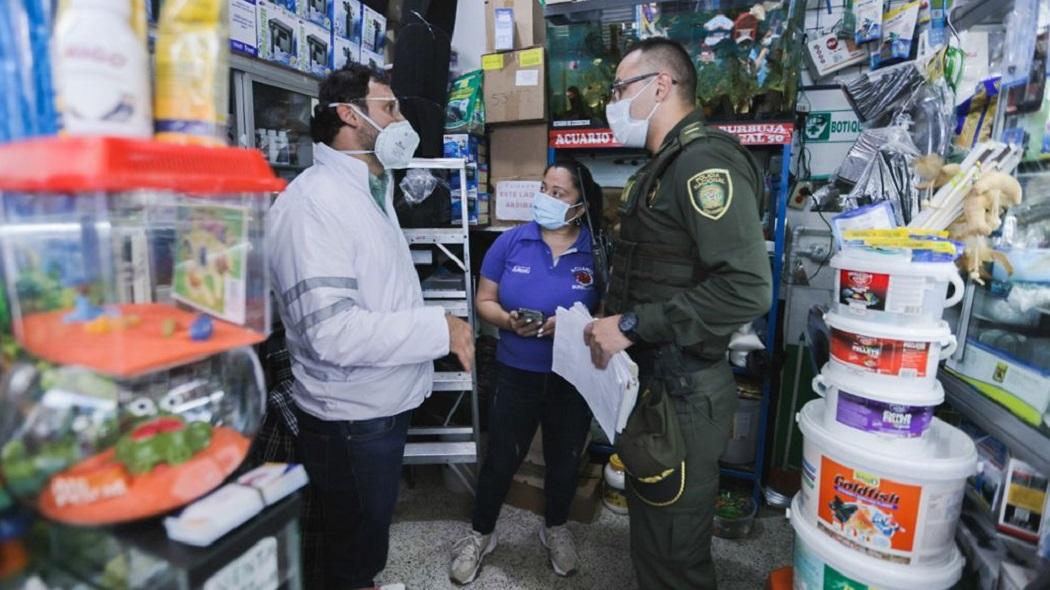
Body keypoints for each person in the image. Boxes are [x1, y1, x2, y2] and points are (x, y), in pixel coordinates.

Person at [266, 64, 475, 590]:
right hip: (351, 419)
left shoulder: (368, 188)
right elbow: (331, 332)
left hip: (380, 404)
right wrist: (440, 329)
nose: (401, 120)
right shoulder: (314, 205)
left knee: (366, 532)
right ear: (347, 114)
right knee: (351, 543)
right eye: (389, 108)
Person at [583, 38, 772, 589]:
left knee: (675, 558)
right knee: (655, 535)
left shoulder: (702, 164)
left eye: (620, 89)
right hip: (657, 390)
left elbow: (746, 289)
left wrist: (633, 325)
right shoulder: (663, 168)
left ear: (660, 86)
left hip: (684, 396)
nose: (612, 102)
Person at [448, 161, 604, 584]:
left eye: (558, 193)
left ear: (579, 205)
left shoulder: (596, 251)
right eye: (543, 188)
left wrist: (570, 326)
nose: (545, 199)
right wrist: (507, 321)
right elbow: (484, 301)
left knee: (565, 460)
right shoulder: (511, 242)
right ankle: (481, 534)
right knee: (501, 457)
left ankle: (555, 527)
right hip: (516, 371)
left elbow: (609, 317)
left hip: (572, 377)